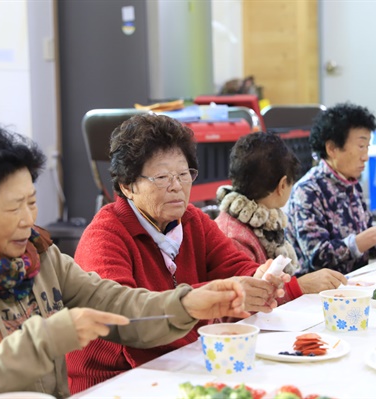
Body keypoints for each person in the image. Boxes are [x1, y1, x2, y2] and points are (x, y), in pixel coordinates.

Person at [0, 121, 251, 399]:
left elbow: (117, 303)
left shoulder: (40, 256)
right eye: (12, 207)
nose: (27, 219)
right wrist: (49, 337)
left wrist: (186, 303)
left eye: (31, 202)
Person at [67, 114, 290, 393]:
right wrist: (202, 297)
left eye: (184, 175)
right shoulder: (105, 235)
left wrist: (259, 279)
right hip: (117, 382)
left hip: (181, 364)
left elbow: (236, 267)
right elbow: (122, 320)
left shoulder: (192, 221)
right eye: (162, 177)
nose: (177, 186)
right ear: (127, 186)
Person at [285, 103, 376, 275]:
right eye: (360, 147)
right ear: (332, 149)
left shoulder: (352, 184)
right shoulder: (307, 190)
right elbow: (318, 257)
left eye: (367, 148)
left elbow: (362, 248)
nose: (366, 157)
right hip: (320, 294)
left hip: (356, 283)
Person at [215, 132, 347, 304]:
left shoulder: (264, 219)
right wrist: (300, 285)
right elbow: (246, 300)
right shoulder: (233, 236)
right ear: (282, 185)